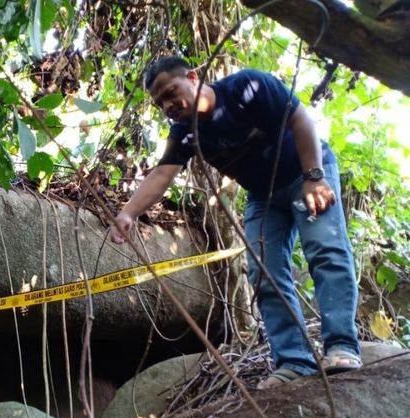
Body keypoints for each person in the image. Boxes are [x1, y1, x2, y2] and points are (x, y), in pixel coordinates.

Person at [109, 56, 362, 389]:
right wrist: (128, 212)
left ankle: (341, 345)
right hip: (263, 196)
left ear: (194, 77)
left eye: (170, 93)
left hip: (307, 171)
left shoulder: (248, 87)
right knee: (263, 271)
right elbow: (162, 173)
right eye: (160, 102)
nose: (168, 105)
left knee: (324, 250)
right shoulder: (186, 133)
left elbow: (302, 121)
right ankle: (294, 361)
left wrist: (314, 177)